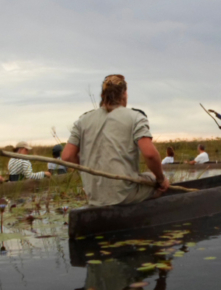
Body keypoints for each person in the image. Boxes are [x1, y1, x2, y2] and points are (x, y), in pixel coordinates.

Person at [62, 74, 170, 207]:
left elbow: (67, 156)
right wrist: (161, 179)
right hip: (123, 195)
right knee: (155, 180)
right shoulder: (136, 117)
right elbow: (150, 155)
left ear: (102, 95)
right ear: (124, 94)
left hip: (94, 196)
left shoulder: (82, 120)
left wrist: (89, 167)